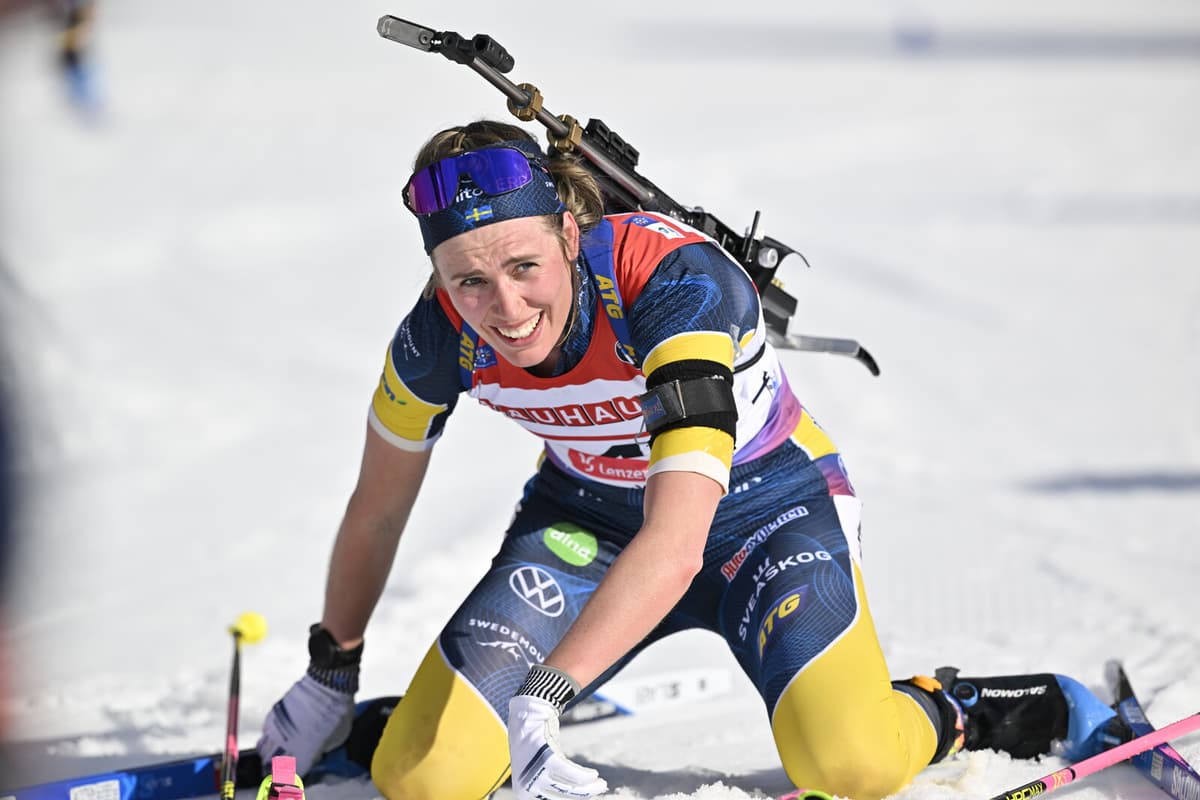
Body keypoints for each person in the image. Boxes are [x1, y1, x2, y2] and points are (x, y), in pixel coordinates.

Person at [256, 120, 1122, 800]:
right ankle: (401, 720)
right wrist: (331, 670)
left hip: (763, 513)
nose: (504, 308)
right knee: (423, 779)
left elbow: (675, 544)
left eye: (524, 265)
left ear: (569, 228)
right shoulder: (431, 341)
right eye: (466, 281)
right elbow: (377, 508)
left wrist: (545, 693)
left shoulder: (673, 286)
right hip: (589, 524)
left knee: (851, 765)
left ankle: (957, 708)